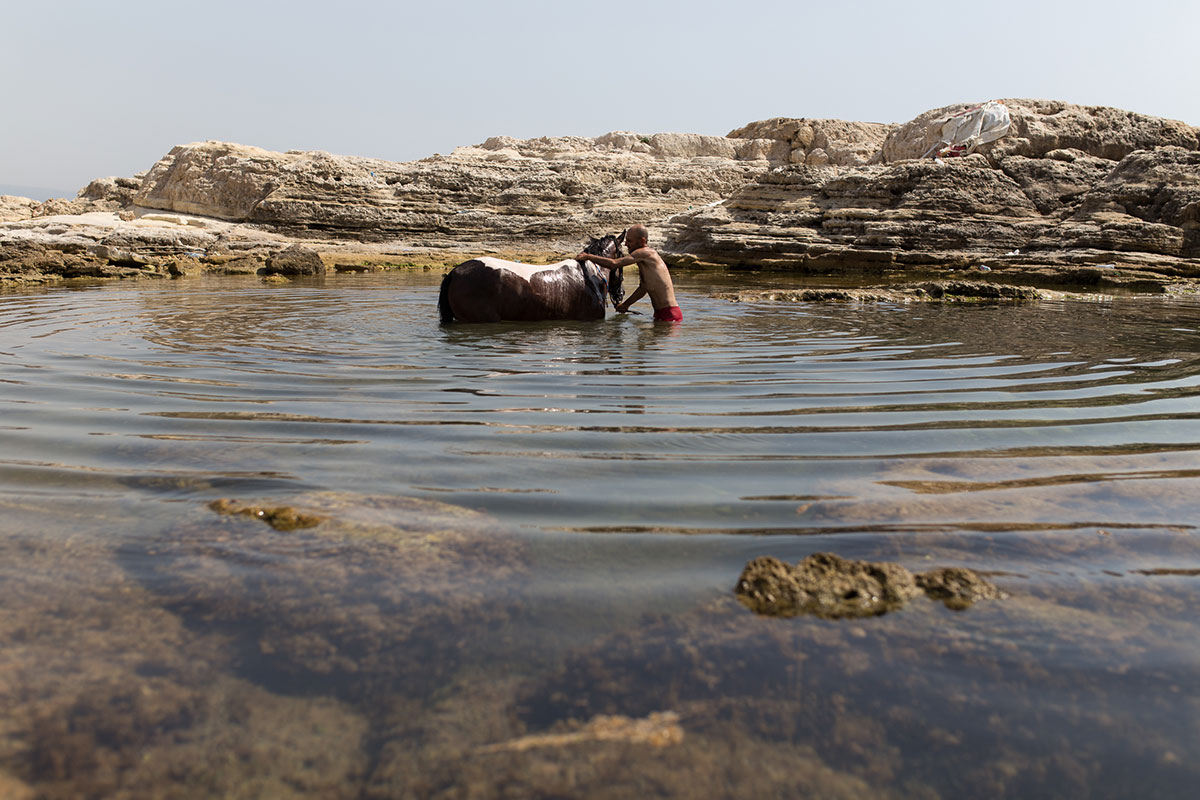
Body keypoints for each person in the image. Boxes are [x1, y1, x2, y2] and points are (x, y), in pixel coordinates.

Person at [577, 224, 681, 322]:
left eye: (629, 241)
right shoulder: (645, 261)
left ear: (642, 241)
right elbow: (643, 288)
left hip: (669, 314)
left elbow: (614, 264)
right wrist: (625, 305)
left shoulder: (645, 253)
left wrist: (588, 256)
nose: (626, 244)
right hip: (661, 314)